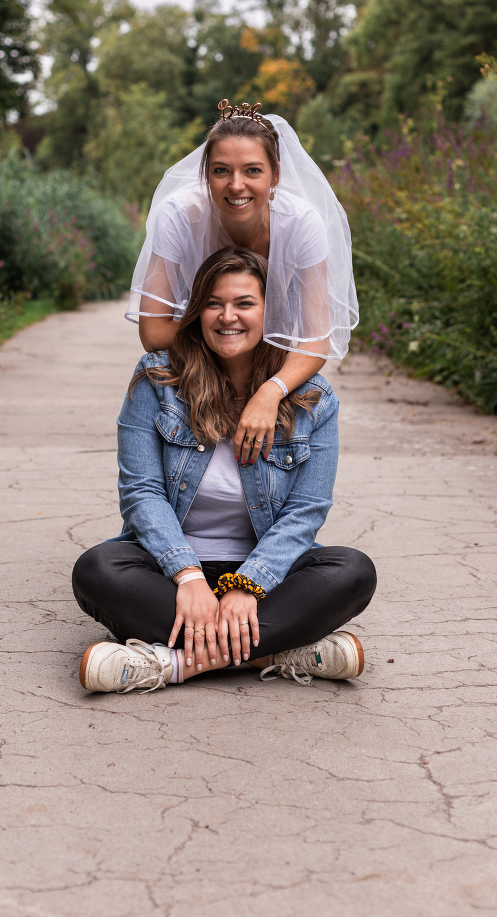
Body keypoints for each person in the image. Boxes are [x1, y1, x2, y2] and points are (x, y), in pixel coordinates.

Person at [72, 247, 376, 694]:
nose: (227, 316)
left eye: (245, 303)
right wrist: (189, 577)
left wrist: (247, 586)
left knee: (352, 571)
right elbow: (142, 494)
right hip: (170, 574)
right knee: (97, 569)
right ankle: (278, 653)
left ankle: (172, 665)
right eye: (214, 303)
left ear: (271, 314)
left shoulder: (314, 399)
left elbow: (306, 512)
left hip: (267, 576)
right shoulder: (157, 380)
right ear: (197, 312)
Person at [125, 100, 359, 467]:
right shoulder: (179, 215)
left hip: (269, 360)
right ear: (205, 174)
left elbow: (318, 338)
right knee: (151, 366)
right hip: (198, 356)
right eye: (221, 170)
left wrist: (271, 390)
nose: (236, 186)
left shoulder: (302, 224)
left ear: (275, 174)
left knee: (311, 397)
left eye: (252, 170)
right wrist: (224, 334)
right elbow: (153, 332)